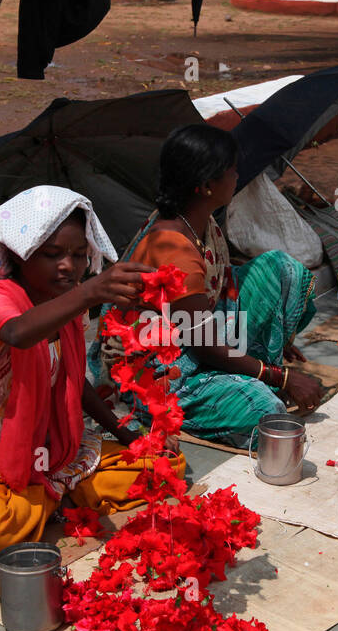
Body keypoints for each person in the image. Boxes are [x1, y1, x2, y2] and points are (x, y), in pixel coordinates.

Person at [0, 185, 183, 569]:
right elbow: (18, 333)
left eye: (79, 255)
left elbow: (74, 383)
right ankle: (53, 496)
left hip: (53, 449)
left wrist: (129, 437)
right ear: (18, 255)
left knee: (159, 467)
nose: (69, 267)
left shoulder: (69, 304)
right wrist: (89, 292)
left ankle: (47, 495)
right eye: (53, 254)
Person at [88, 124, 321, 448]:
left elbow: (217, 290)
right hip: (164, 368)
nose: (238, 177)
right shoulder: (174, 248)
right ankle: (249, 376)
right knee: (266, 409)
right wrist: (279, 376)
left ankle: (255, 363)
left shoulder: (198, 221)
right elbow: (203, 345)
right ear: (206, 186)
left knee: (281, 269)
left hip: (196, 331)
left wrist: (273, 328)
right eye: (231, 171)